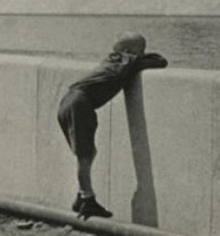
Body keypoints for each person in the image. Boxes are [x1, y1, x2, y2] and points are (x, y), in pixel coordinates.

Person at [56, 32, 168, 219]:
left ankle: (81, 196)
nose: (141, 54)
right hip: (80, 103)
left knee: (88, 153)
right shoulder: (127, 60)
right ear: (127, 51)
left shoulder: (112, 60)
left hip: (68, 100)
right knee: (84, 156)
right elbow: (161, 61)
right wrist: (142, 57)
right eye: (140, 50)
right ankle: (88, 200)